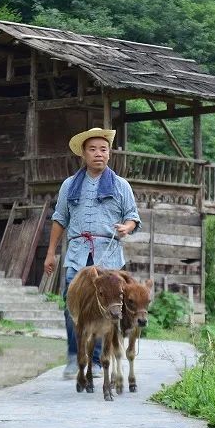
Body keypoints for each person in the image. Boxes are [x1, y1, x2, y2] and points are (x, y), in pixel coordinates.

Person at [44, 127, 141, 379]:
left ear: (109, 154)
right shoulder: (69, 185)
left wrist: (126, 228)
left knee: (106, 308)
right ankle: (74, 356)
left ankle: (97, 360)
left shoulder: (121, 186)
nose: (99, 154)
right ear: (83, 155)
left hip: (108, 255)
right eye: (93, 149)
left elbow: (133, 217)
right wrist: (51, 253)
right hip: (77, 253)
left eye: (103, 149)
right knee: (71, 304)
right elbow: (59, 219)